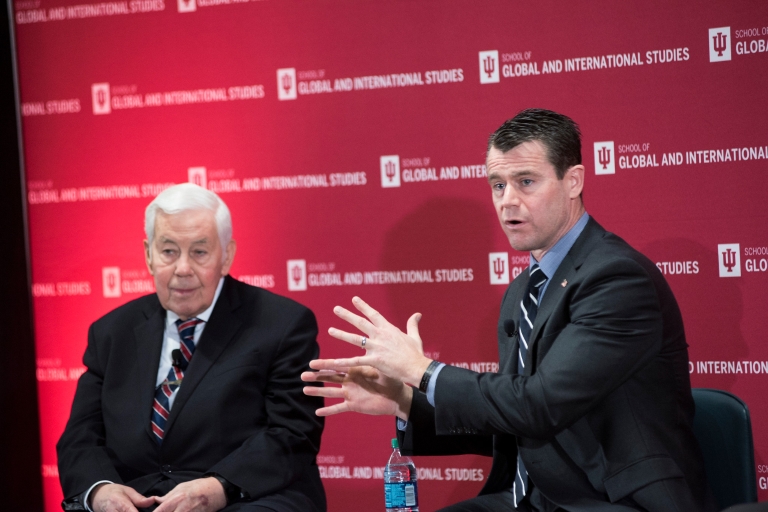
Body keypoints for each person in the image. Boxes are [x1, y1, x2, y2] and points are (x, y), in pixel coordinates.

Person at [302, 109, 716, 511]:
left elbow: (539, 406)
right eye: (497, 185)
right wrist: (404, 399)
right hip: (529, 497)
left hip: (607, 499)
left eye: (526, 181)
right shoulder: (524, 288)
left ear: (573, 182)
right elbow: (509, 418)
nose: (507, 201)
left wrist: (423, 372)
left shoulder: (617, 279)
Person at [58, 183, 326, 512]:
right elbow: (80, 436)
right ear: (148, 255)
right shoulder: (112, 332)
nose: (183, 269)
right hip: (138, 499)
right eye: (169, 251)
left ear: (226, 256)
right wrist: (99, 491)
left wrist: (218, 487)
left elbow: (293, 433)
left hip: (245, 496)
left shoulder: (283, 324)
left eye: (199, 252)